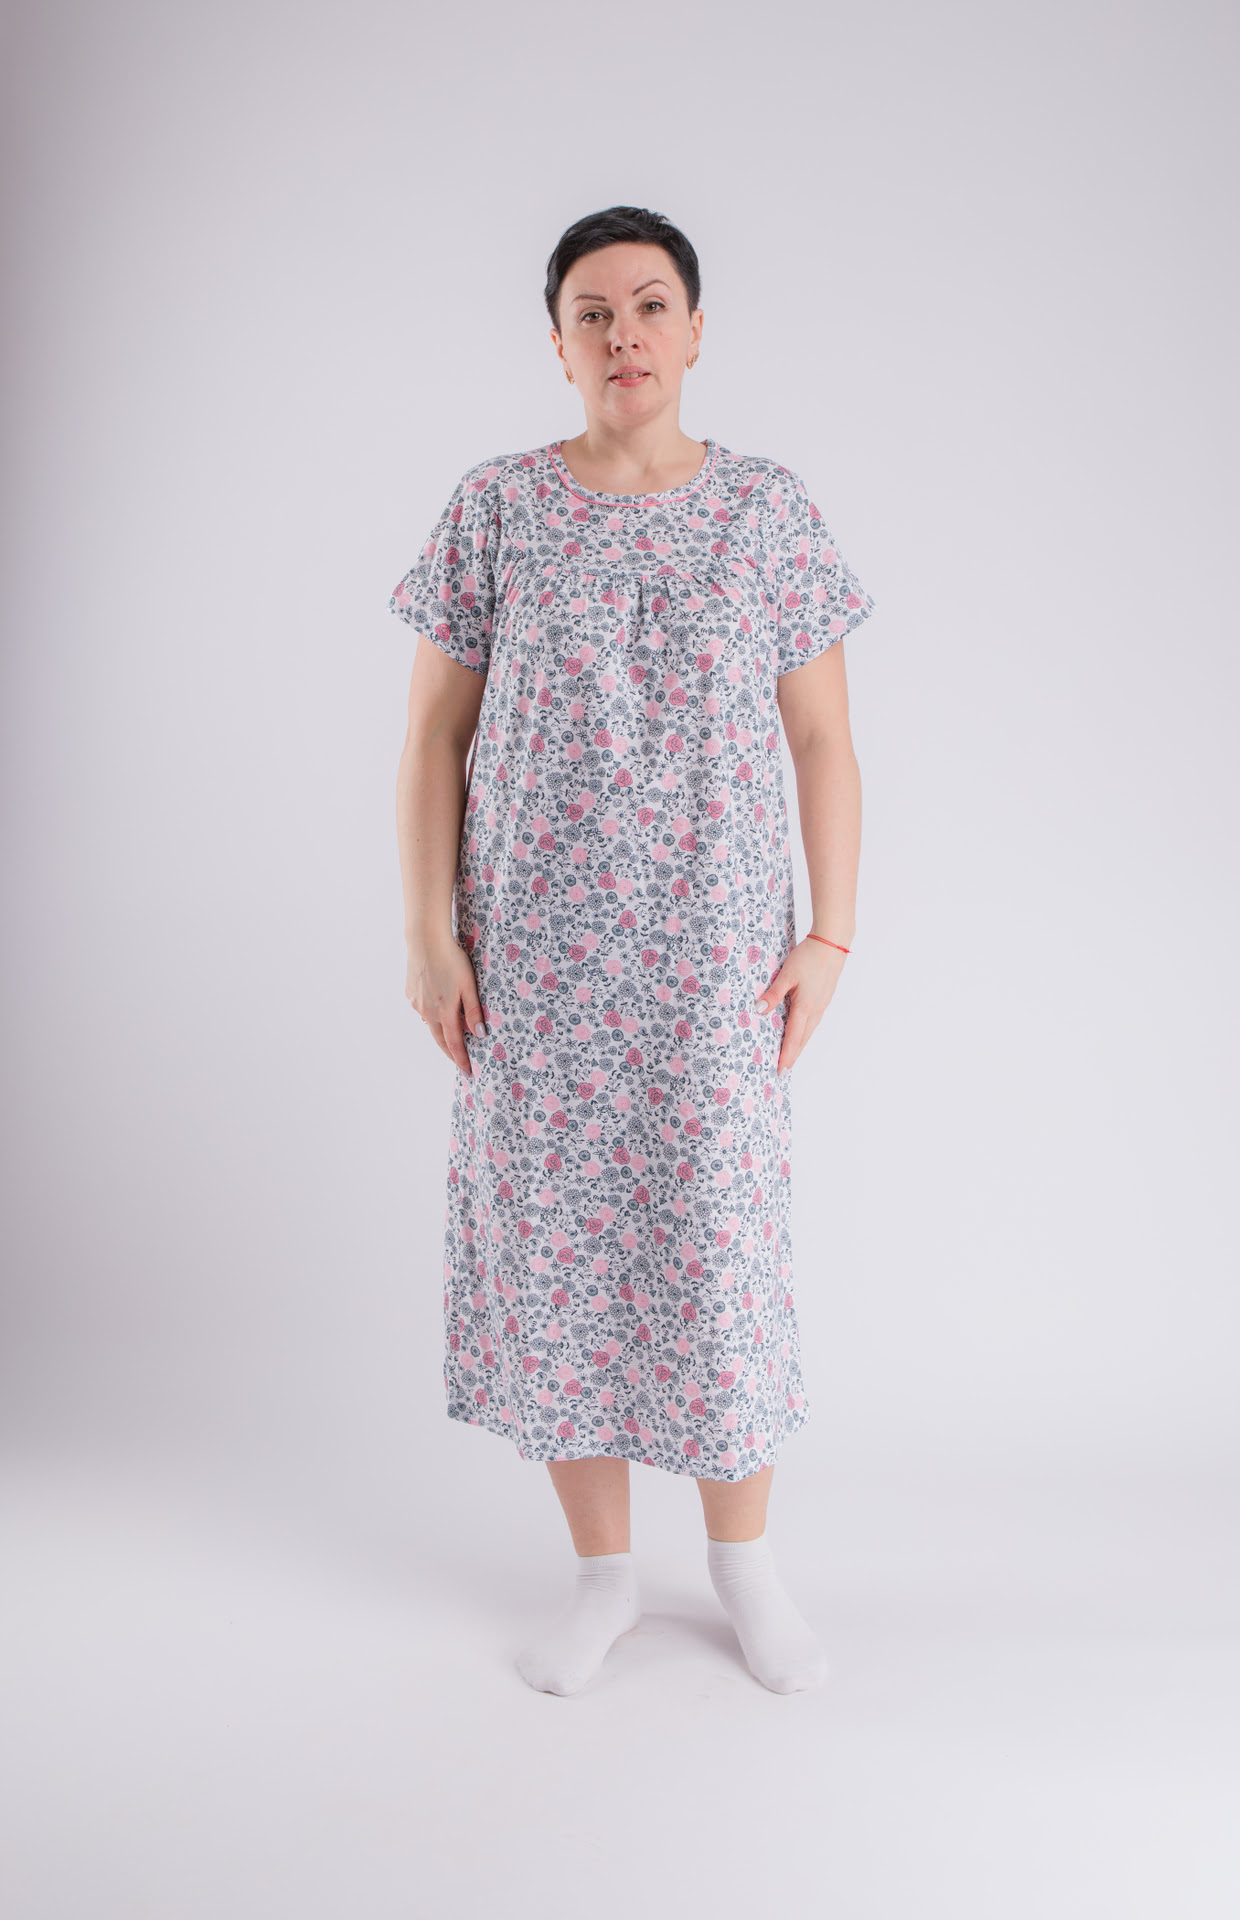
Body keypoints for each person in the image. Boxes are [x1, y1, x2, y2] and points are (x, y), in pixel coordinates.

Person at [389, 205, 876, 1696]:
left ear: (697, 330)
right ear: (558, 344)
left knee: (720, 1251)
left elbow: (823, 738)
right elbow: (433, 738)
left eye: (651, 305)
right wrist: (429, 935)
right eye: (592, 313)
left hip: (714, 966)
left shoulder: (769, 513)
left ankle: (744, 1566)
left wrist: (830, 932)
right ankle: (603, 1578)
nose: (624, 335)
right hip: (535, 966)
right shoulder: (494, 509)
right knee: (559, 1256)